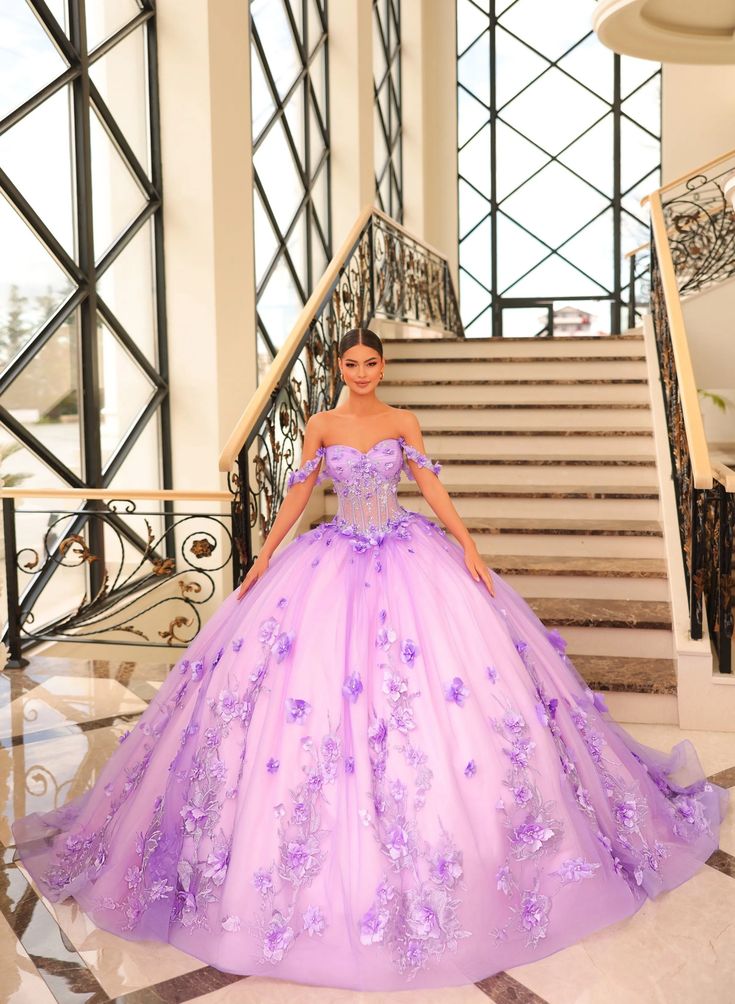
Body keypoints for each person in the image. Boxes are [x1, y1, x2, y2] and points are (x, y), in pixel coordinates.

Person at [11, 327, 729, 991]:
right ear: (337, 370)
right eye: (350, 364)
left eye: (370, 363)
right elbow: (297, 493)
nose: (361, 372)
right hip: (326, 566)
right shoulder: (320, 426)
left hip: (405, 556)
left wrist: (469, 545)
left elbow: (432, 488)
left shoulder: (399, 421)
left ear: (381, 368)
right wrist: (263, 556)